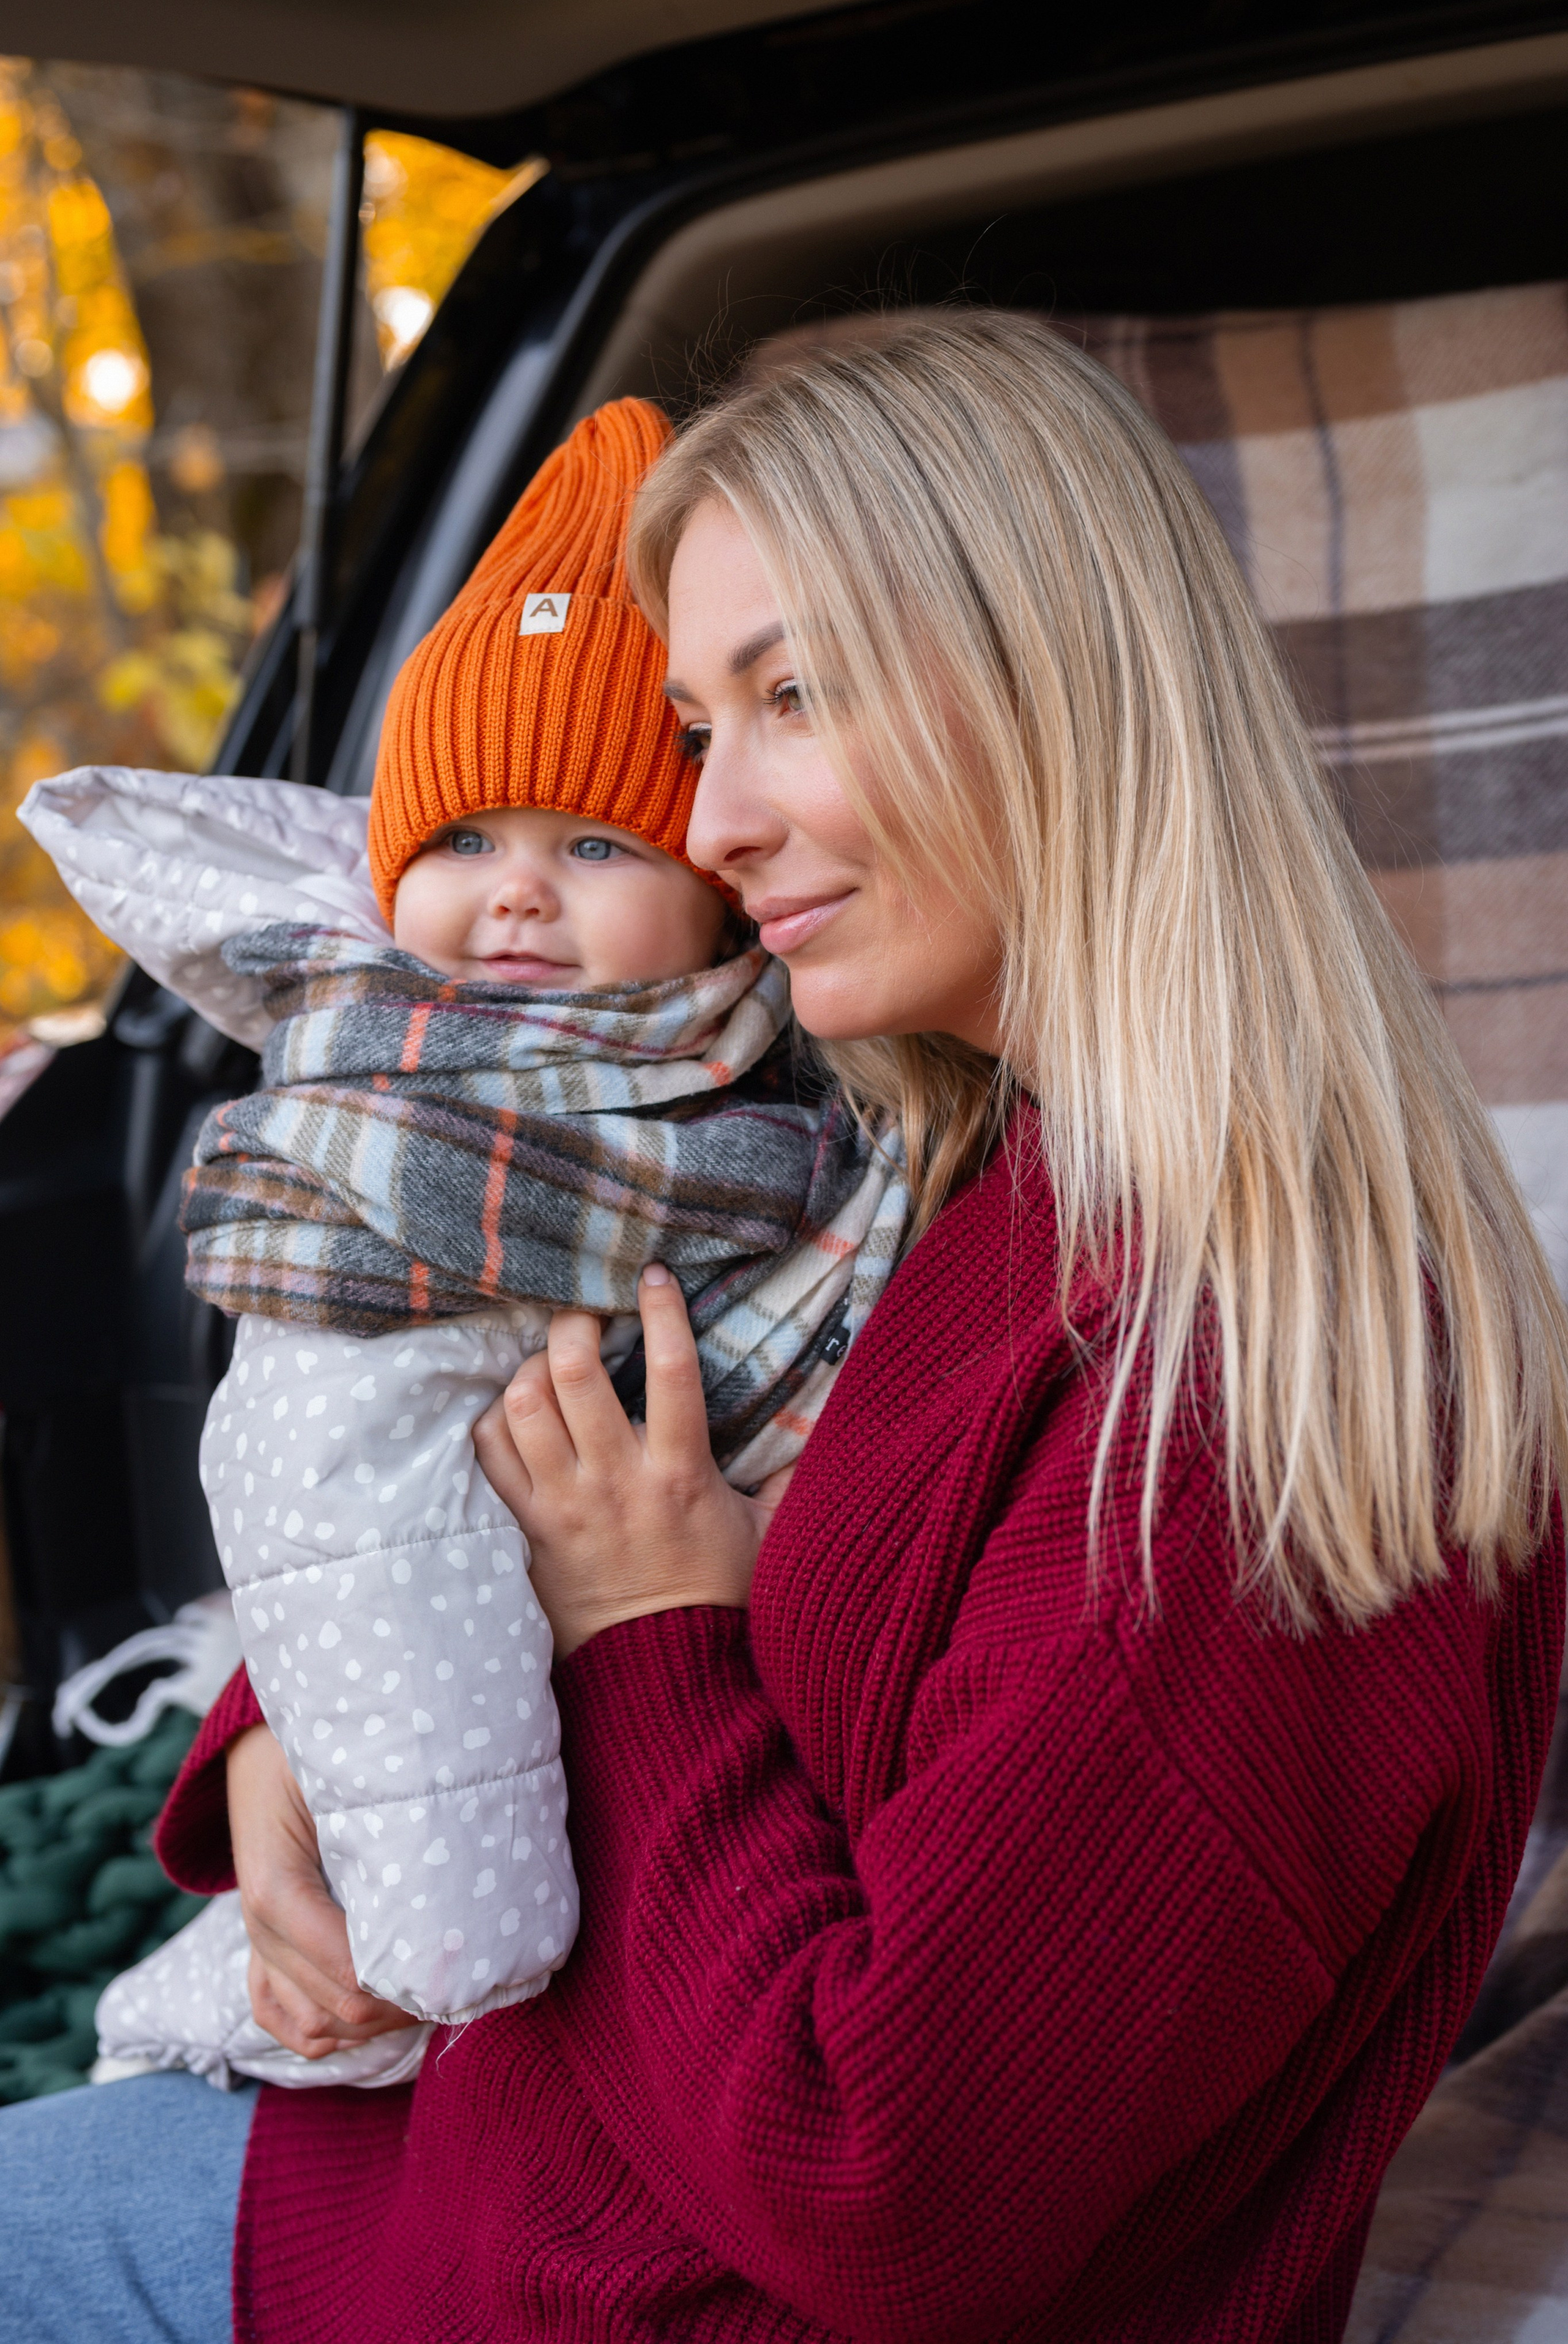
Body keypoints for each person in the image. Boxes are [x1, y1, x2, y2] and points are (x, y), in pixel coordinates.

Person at [2, 306, 1565, 2344]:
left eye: (789, 700)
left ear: (1058, 686)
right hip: (462, 2176)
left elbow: (889, 2184)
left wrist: (646, 1636)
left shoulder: (1248, 1413)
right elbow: (532, 1442)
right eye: (692, 731)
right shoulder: (922, 1161)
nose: (714, 824)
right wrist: (274, 1743)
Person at [18, 397, 904, 2093]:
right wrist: (276, 1743)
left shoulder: (804, 1112)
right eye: (464, 840)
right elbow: (338, 1471)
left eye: (591, 843)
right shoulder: (375, 1085)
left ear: (714, 889)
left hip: (639, 1865)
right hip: (421, 1739)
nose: (516, 894)